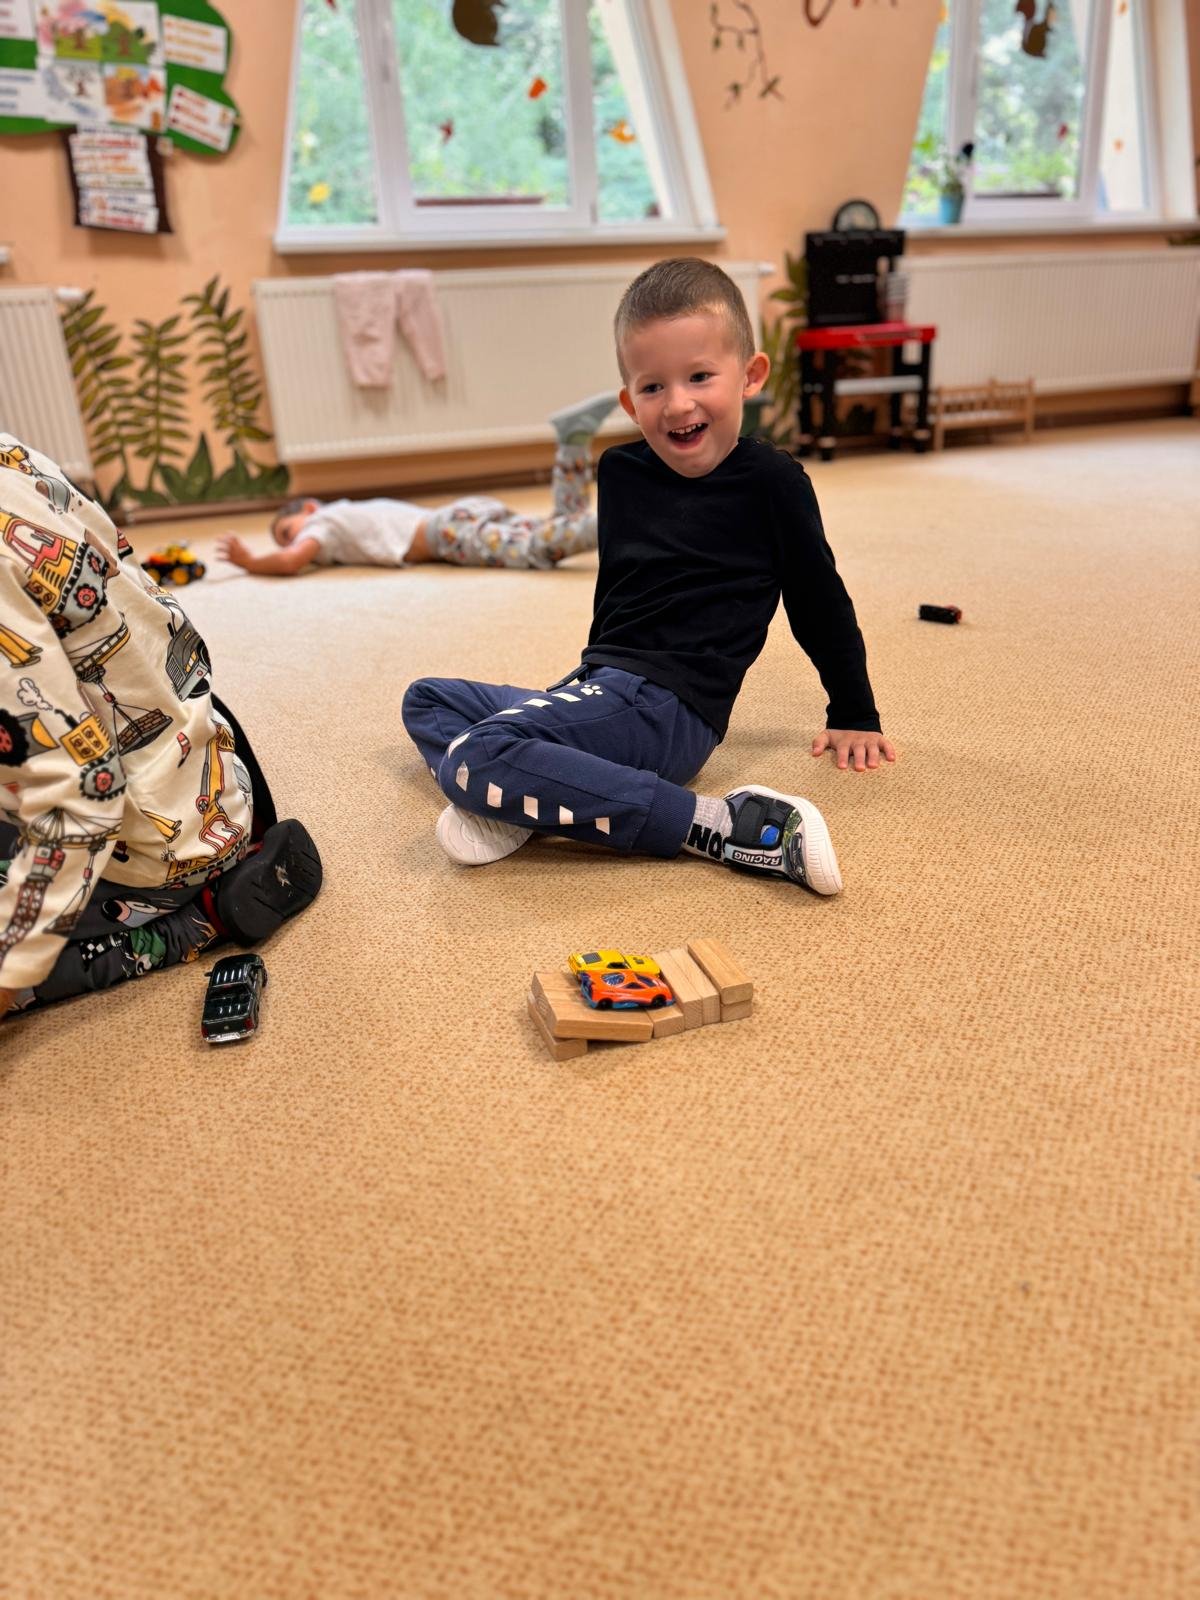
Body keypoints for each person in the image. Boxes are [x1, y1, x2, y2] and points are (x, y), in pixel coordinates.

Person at [401, 259, 895, 896]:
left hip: (672, 712)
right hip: (604, 683)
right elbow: (618, 596)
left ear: (750, 376)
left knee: (474, 755)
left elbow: (818, 599)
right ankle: (531, 795)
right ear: (631, 403)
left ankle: (718, 823)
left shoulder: (772, 482)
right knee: (426, 700)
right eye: (654, 387)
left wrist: (854, 709)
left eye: (699, 377)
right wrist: (583, 687)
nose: (679, 403)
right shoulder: (621, 472)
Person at [0, 434, 322, 1020]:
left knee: (21, 959)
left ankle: (197, 920)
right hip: (201, 761)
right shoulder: (9, 453)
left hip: (153, 848)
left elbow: (80, 798)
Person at [217, 394, 618, 577]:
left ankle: (619, 519)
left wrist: (250, 561)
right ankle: (573, 441)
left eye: (288, 533)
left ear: (308, 508)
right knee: (554, 528)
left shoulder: (323, 523)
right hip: (460, 515)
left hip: (447, 534)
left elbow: (291, 561)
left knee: (535, 549)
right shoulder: (344, 515)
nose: (293, 543)